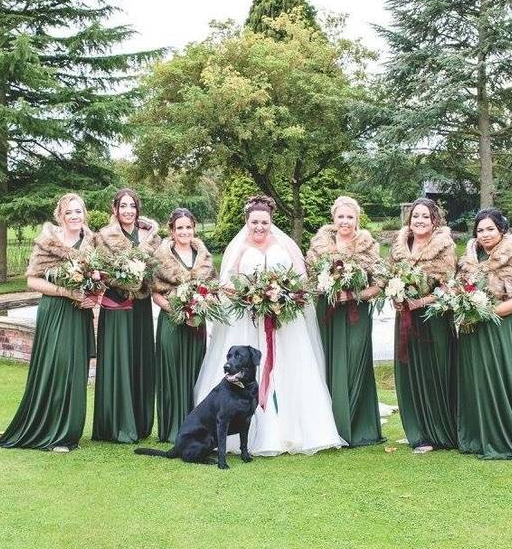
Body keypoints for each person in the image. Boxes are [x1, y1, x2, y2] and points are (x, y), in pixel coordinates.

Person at [193, 195, 345, 456]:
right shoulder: (238, 249)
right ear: (247, 222)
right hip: (247, 322)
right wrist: (250, 297)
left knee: (290, 369)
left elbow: (301, 281)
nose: (259, 227)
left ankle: (292, 430)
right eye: (254, 222)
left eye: (264, 222)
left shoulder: (286, 247)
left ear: (271, 221)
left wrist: (283, 296)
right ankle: (244, 433)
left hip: (284, 322)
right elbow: (227, 286)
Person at [0, 193, 99, 452]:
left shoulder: (91, 243)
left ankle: (69, 432)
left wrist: (93, 297)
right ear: (61, 216)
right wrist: (66, 292)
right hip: (55, 311)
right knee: (58, 366)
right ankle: (52, 432)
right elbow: (32, 280)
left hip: (79, 313)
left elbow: (97, 280)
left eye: (79, 211)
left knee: (76, 369)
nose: (75, 216)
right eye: (69, 212)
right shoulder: (48, 243)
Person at [456, 207, 512, 460]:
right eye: (480, 230)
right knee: (476, 381)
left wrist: (483, 312)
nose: (484, 234)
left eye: (490, 229)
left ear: (502, 230)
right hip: (471, 330)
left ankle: (504, 438)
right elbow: (458, 290)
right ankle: (477, 437)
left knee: (499, 379)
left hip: (499, 327)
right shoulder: (468, 259)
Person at [305, 196, 384, 447]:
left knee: (354, 361)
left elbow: (379, 285)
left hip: (355, 314)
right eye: (341, 216)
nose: (345, 221)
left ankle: (356, 424)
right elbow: (308, 280)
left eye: (350, 217)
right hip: (327, 313)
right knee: (327, 363)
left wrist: (351, 294)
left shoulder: (368, 246)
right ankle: (329, 426)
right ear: (333, 218)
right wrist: (325, 288)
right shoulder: (318, 247)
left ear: (357, 219)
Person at [389, 198, 458, 453]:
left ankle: (438, 432)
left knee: (433, 373)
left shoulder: (444, 247)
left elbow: (449, 286)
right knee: (409, 374)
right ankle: (417, 432)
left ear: (434, 220)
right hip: (405, 318)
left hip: (433, 319)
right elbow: (389, 277)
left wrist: (420, 302)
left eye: (425, 216)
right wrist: (396, 298)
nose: (419, 220)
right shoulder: (399, 246)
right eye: (415, 216)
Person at [93, 188, 162, 443]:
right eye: (123, 206)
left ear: (137, 209)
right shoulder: (103, 237)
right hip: (117, 305)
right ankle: (117, 424)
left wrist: (143, 277)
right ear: (115, 209)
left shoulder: (150, 236)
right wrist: (121, 279)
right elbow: (99, 271)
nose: (128, 211)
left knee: (140, 358)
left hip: (142, 306)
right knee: (118, 360)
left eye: (132, 206)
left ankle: (141, 421)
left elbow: (158, 270)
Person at [152, 208, 215, 443]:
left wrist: (200, 307)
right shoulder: (160, 258)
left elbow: (213, 290)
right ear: (171, 230)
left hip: (197, 323)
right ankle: (172, 430)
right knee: (173, 375)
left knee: (196, 373)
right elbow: (155, 293)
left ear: (194, 229)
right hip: (172, 322)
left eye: (188, 227)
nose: (184, 231)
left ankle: (196, 430)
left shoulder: (204, 257)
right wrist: (179, 310)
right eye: (180, 227)